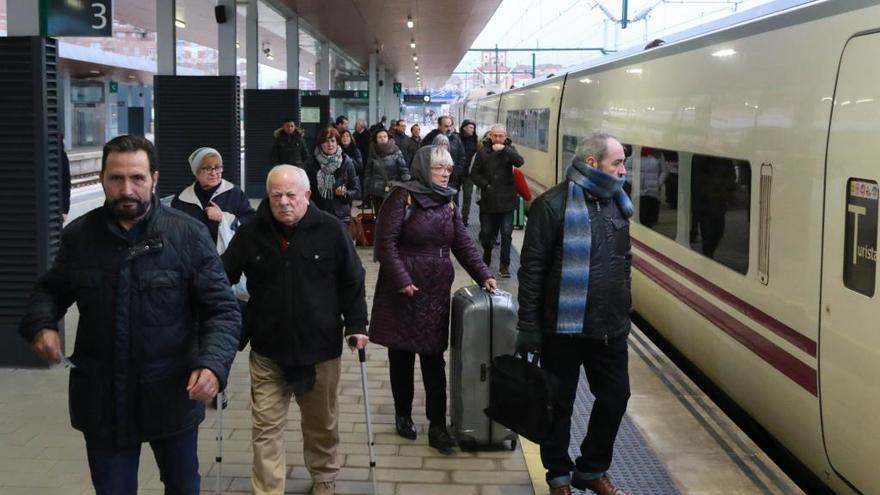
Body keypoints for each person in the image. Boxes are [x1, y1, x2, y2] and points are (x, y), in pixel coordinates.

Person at [19, 135, 241, 495]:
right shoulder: (81, 236)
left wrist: (214, 364)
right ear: (102, 179)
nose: (127, 189)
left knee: (184, 487)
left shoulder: (186, 234)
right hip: (102, 400)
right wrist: (42, 324)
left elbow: (222, 309)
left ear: (154, 177)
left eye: (137, 178)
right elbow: (51, 289)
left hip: (171, 395)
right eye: (116, 179)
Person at [222, 165, 369, 495]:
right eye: (276, 195)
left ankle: (325, 476)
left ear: (307, 195)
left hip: (320, 350)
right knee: (265, 428)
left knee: (321, 425)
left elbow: (353, 280)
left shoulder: (331, 230)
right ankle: (269, 489)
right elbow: (220, 279)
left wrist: (357, 325)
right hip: (268, 350)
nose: (284, 202)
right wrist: (223, 323)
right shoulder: (251, 233)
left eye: (291, 195)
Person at [516, 132, 633, 495]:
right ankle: (558, 475)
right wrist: (529, 326)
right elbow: (532, 269)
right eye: (618, 162)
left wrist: (623, 309)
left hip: (609, 328)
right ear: (593, 163)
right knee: (558, 405)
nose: (624, 170)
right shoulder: (551, 205)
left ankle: (591, 468)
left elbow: (622, 262)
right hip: (562, 329)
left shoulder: (618, 203)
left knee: (616, 397)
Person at [369, 146, 496, 455]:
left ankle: (437, 425)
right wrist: (403, 281)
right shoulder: (402, 197)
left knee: (432, 358)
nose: (445, 173)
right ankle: (403, 416)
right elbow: (384, 244)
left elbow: (463, 243)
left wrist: (484, 275)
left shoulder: (447, 203)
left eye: (448, 169)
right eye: (439, 168)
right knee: (401, 356)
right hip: (403, 288)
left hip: (435, 288)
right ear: (425, 168)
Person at [469, 124, 524, 278]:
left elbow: (519, 162)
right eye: (495, 136)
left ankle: (504, 265)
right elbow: (474, 173)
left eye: (501, 136)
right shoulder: (482, 152)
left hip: (507, 200)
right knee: (487, 234)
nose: (498, 139)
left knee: (506, 234)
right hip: (489, 201)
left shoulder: (510, 150)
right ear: (490, 136)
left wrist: (505, 149)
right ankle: (487, 253)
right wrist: (485, 185)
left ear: (505, 137)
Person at [171, 147, 256, 243]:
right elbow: (173, 231)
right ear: (196, 172)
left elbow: (251, 223)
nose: (214, 173)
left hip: (228, 255)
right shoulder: (182, 198)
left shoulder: (234, 193)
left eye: (218, 167)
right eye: (207, 168)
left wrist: (223, 218)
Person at [303, 127, 361, 226]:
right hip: (318, 214)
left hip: (341, 215)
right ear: (320, 144)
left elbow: (356, 190)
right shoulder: (311, 163)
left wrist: (344, 193)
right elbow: (305, 191)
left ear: (337, 142)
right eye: (325, 141)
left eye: (333, 141)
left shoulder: (346, 162)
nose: (330, 144)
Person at [421, 116, 468, 200]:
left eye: (450, 126)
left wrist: (456, 173)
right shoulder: (430, 138)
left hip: (452, 181)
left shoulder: (456, 140)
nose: (449, 129)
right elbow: (423, 158)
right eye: (446, 126)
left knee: (452, 206)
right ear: (439, 126)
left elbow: (462, 158)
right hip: (434, 181)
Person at [365, 128, 410, 211]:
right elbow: (368, 172)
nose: (383, 139)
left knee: (392, 215)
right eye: (380, 137)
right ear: (376, 139)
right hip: (377, 191)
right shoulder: (373, 152)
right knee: (379, 215)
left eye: (385, 136)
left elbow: (404, 171)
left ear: (388, 138)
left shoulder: (396, 151)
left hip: (393, 190)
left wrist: (408, 188)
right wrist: (366, 191)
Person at [638, 147, 665, 227]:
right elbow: (628, 169)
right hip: (639, 192)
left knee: (650, 220)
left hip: (653, 192)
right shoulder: (636, 152)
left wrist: (658, 183)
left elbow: (664, 171)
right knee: (641, 219)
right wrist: (633, 182)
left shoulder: (658, 154)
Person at [458, 120, 478, 226]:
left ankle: (464, 218)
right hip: (457, 173)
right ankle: (455, 218)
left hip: (469, 174)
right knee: (454, 196)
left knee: (467, 197)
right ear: (464, 128)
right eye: (471, 127)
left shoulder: (475, 141)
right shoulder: (457, 139)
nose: (473, 130)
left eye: (473, 128)